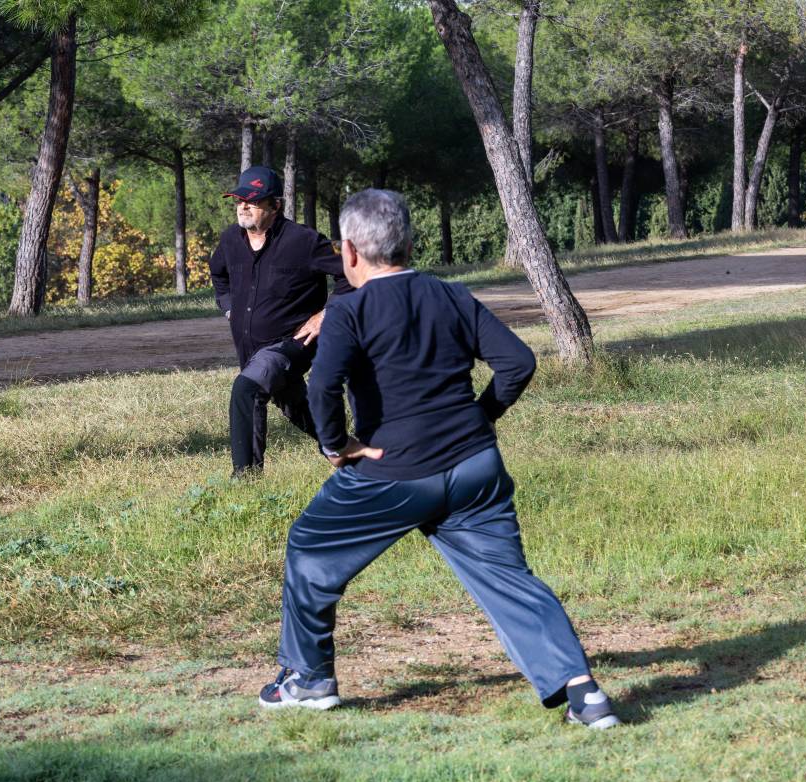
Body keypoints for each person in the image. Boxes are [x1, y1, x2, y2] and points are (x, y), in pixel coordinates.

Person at [257, 189, 620, 730]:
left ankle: (308, 681)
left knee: (309, 546)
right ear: (406, 242)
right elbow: (517, 362)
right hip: (475, 469)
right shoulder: (451, 295)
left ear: (350, 252)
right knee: (509, 579)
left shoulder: (348, 310)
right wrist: (480, 418)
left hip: (392, 472)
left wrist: (338, 445)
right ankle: (584, 693)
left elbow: (322, 387)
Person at [208, 166, 350, 477]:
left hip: (292, 343)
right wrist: (229, 307)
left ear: (275, 205)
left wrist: (327, 314)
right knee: (296, 406)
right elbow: (218, 273)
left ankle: (245, 479)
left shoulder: (305, 241)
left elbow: (351, 275)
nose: (243, 206)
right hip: (250, 349)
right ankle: (350, 456)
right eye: (238, 200)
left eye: (252, 201)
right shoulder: (231, 239)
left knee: (246, 390)